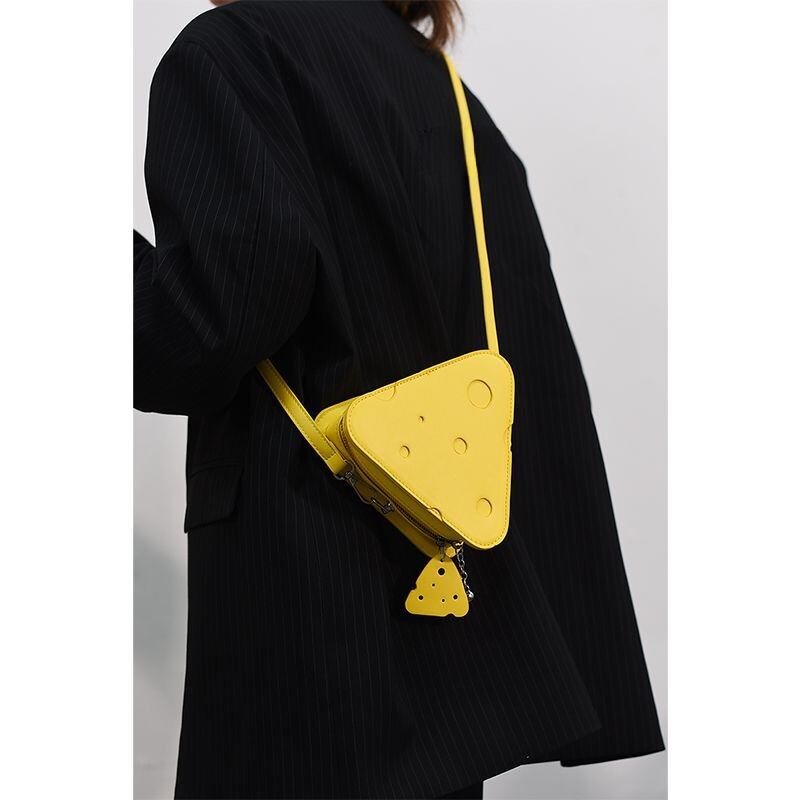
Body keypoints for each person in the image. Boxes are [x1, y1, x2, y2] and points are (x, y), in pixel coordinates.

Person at [134, 1, 664, 798]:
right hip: (447, 613)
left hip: (302, 593)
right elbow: (528, 370)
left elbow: (205, 325)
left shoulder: (234, 52)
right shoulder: (457, 107)